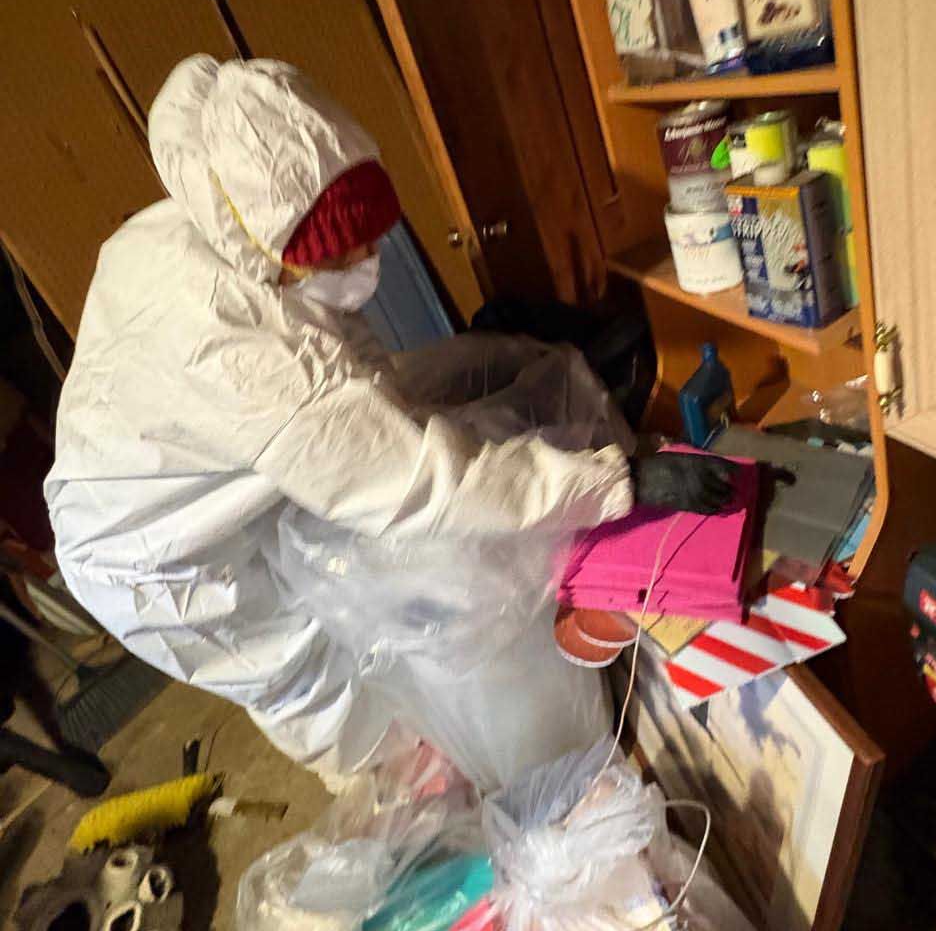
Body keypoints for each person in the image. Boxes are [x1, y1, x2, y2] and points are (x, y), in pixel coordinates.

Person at [46, 55, 732, 785]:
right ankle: (424, 801)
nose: (371, 260)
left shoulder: (206, 224)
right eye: (349, 251)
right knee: (309, 670)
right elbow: (422, 484)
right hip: (153, 556)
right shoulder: (252, 365)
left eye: (375, 238)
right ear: (275, 248)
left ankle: (443, 760)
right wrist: (615, 479)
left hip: (188, 452)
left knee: (426, 429)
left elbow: (353, 370)